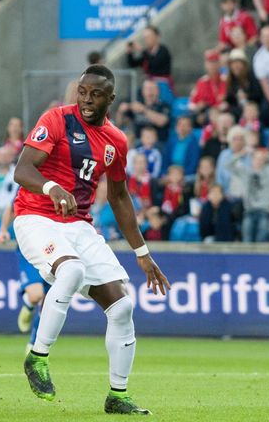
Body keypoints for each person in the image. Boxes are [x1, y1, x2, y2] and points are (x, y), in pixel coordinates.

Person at [13, 65, 170, 415]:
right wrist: (52, 187)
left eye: (94, 94)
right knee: (71, 273)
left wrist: (142, 253)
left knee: (123, 307)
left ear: (110, 99)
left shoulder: (116, 141)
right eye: (82, 91)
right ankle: (37, 357)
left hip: (78, 225)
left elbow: (118, 196)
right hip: (36, 218)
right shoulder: (56, 119)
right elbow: (22, 170)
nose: (85, 99)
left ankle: (118, 395)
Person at [0, 203, 50, 353]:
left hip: (53, 250)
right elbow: (10, 206)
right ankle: (28, 303)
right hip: (29, 250)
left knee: (49, 302)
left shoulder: (66, 184)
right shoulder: (30, 180)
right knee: (35, 295)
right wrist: (3, 230)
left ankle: (33, 344)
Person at [228, 148, 269, 242]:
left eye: (261, 158)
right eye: (256, 158)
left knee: (262, 240)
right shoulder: (246, 171)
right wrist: (242, 153)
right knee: (246, 240)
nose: (259, 161)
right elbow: (228, 165)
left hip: (265, 211)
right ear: (252, 159)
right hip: (249, 211)